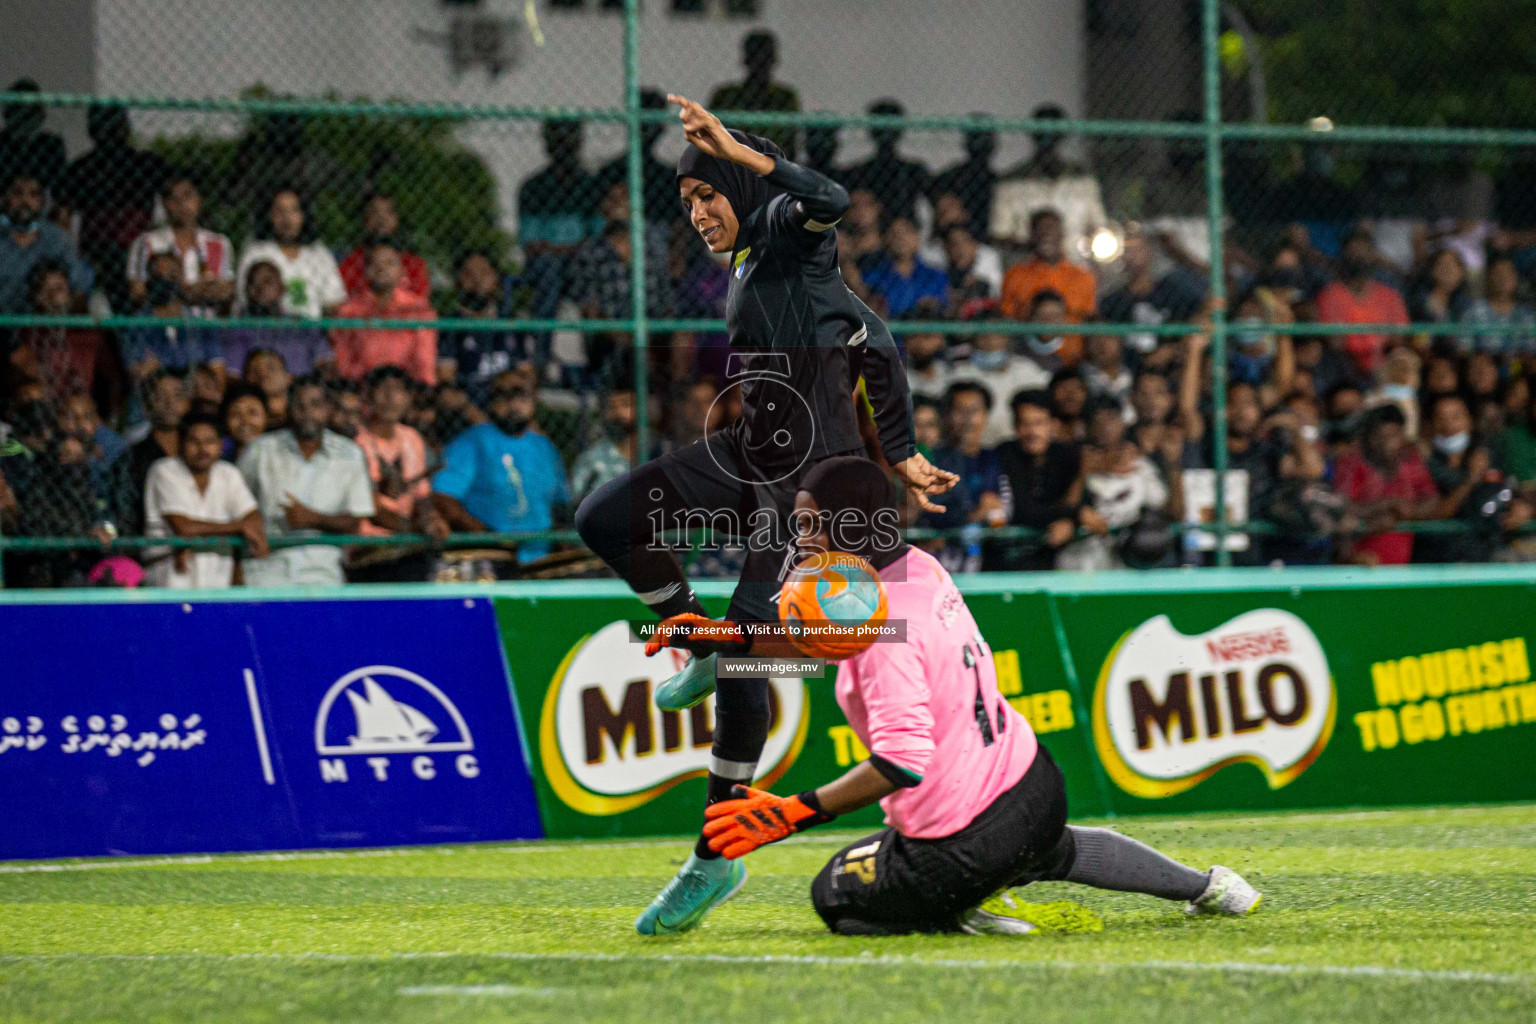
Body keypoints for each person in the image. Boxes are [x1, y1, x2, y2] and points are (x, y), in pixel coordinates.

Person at [574, 95, 955, 936]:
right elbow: (875, 337)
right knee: (606, 518)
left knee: (747, 651)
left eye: (707, 195)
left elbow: (831, 201)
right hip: (750, 454)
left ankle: (713, 860)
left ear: (742, 188)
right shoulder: (754, 264)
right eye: (687, 203)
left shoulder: (787, 230)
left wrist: (896, 452)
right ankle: (690, 637)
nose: (699, 213)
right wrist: (901, 445)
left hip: (810, 490)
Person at [646, 456, 1260, 936]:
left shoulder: (874, 620)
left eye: (809, 524)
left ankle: (968, 909)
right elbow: (821, 643)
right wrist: (722, 636)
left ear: (854, 525)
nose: (799, 537)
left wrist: (794, 812)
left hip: (960, 841)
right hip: (1032, 784)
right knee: (1057, 848)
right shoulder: (914, 567)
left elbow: (900, 761)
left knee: (832, 894)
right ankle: (1211, 887)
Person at [238, 376, 375, 587]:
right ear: (288, 408)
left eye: (315, 405)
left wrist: (312, 518)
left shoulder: (350, 455)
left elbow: (354, 523)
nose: (307, 413)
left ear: (328, 409)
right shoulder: (260, 450)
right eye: (299, 405)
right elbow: (233, 506)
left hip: (323, 576)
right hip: (264, 574)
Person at [431, 372, 569, 564]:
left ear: (534, 401)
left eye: (521, 395)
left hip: (543, 559)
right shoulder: (473, 442)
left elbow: (560, 505)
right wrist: (490, 540)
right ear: (491, 402)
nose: (513, 404)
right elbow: (443, 498)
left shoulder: (544, 447)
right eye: (504, 395)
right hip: (490, 557)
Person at [54, 105, 171, 311]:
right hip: (96, 255)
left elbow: (173, 199)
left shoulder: (146, 164)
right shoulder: (81, 168)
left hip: (138, 250)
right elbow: (63, 216)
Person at [143, 412, 267, 588]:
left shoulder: (228, 473)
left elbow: (253, 519)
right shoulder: (164, 470)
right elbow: (184, 527)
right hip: (171, 576)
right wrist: (239, 527)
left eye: (210, 441)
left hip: (218, 578)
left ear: (221, 445)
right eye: (194, 441)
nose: (202, 449)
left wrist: (244, 526)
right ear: (181, 444)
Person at [351, 365, 449, 582]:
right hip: (369, 548)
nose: (390, 397)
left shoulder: (412, 438)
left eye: (398, 390)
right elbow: (371, 508)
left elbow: (422, 497)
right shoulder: (356, 443)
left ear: (408, 398)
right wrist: (415, 529)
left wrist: (430, 520)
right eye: (382, 389)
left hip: (408, 546)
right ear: (368, 396)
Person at [1057, 398, 1178, 571]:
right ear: (1086, 426)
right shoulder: (1070, 463)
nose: (1105, 427)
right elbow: (1062, 508)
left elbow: (1168, 509)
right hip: (1082, 563)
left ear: (1123, 423)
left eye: (1111, 419)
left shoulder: (1140, 466)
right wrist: (1084, 472)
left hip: (1127, 565)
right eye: (1098, 421)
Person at [519, 121, 599, 363]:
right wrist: (566, 250)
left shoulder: (590, 186)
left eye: (569, 141)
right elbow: (532, 244)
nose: (564, 148)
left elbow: (596, 237)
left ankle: (594, 360)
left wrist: (570, 250)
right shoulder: (533, 187)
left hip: (583, 263)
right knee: (549, 272)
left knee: (592, 277)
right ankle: (541, 359)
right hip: (546, 265)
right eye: (557, 141)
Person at [1332, 404, 1441, 566]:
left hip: (1403, 567)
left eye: (1392, 436)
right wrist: (1386, 505)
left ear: (1403, 436)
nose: (1384, 444)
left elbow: (1432, 502)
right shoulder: (1352, 463)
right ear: (1368, 438)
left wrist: (1409, 512)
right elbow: (1340, 508)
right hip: (1361, 565)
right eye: (1378, 437)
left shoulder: (1411, 461)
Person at [330, 242, 438, 385]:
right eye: (374, 263)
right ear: (365, 270)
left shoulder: (418, 309)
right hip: (363, 385)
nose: (381, 268)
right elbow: (344, 360)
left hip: (406, 386)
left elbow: (424, 359)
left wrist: (422, 387)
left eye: (389, 263)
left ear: (401, 270)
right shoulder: (349, 311)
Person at [125, 176, 235, 315]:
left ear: (199, 200)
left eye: (187, 196)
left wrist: (215, 291)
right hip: (164, 323)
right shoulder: (147, 243)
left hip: (208, 325)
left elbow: (228, 291)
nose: (182, 204)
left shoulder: (219, 243)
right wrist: (182, 293)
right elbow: (137, 293)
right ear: (165, 204)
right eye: (173, 199)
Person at [1000, 208, 1095, 360]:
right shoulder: (1015, 275)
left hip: (1072, 358)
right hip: (1028, 357)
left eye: (1051, 228)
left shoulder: (1083, 277)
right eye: (1039, 230)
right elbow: (1007, 319)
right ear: (1032, 236)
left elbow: (1089, 319)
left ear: (1062, 234)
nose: (1045, 234)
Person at [235, 188, 346, 319]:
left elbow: (334, 301)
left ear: (303, 215)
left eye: (294, 210)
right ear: (269, 216)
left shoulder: (319, 253)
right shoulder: (256, 253)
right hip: (268, 328)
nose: (287, 219)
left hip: (313, 332)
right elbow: (245, 300)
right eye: (280, 211)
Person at [1314, 228, 1409, 379]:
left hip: (1384, 363)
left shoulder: (1389, 296)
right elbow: (1335, 343)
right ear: (1343, 257)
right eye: (1353, 253)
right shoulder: (1330, 295)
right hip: (1345, 366)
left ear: (1373, 256)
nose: (1358, 258)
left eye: (1364, 253)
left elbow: (1398, 337)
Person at [1096, 230, 1207, 358]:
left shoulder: (1170, 292)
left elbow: (1196, 318)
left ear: (1149, 252)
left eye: (1138, 249)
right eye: (1128, 250)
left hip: (1167, 365)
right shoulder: (1112, 301)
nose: (1132, 256)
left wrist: (1172, 350)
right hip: (1127, 366)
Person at [0, 173, 90, 314]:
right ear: (6, 198)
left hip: (43, 323)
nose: (25, 201)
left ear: (42, 201)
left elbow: (79, 285)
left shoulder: (57, 238)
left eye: (33, 194)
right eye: (18, 193)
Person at [708, 31, 802, 159]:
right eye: (755, 56)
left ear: (773, 60)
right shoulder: (724, 95)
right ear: (746, 59)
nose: (760, 61)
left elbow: (791, 142)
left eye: (765, 57)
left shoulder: (785, 97)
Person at [840, 99, 930, 224]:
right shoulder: (857, 172)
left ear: (900, 130)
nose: (886, 133)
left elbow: (937, 201)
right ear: (871, 130)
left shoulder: (913, 171)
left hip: (903, 230)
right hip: (867, 230)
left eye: (891, 127)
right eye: (881, 127)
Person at [336, 192, 430, 300]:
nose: (382, 218)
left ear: (396, 218)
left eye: (388, 212)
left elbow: (420, 302)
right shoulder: (351, 263)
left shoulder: (414, 264)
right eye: (374, 212)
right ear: (366, 218)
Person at [571, 386, 647, 505]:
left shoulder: (660, 451)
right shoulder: (591, 461)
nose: (618, 414)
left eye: (626, 404)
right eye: (611, 407)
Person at [860, 217, 948, 319]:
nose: (901, 238)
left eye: (906, 232)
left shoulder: (936, 275)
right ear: (885, 240)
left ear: (917, 236)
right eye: (895, 234)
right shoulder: (873, 277)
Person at [930, 119, 997, 242]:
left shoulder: (997, 181)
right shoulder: (949, 178)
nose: (980, 145)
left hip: (987, 241)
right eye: (975, 138)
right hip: (953, 242)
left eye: (985, 140)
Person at [0, 79, 66, 194]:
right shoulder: (2, 144)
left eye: (29, 114)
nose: (24, 122)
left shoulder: (52, 146)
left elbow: (58, 187)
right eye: (18, 111)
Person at [220, 381, 269, 463]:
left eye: (252, 412)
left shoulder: (282, 458)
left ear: (267, 416)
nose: (245, 421)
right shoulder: (221, 464)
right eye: (236, 413)